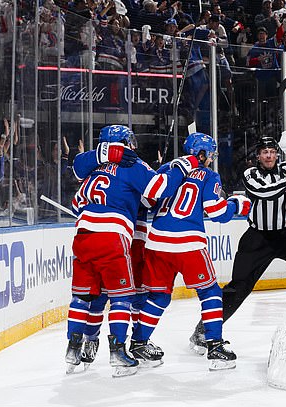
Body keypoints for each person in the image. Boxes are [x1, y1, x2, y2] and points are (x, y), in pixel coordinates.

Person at [65, 125, 198, 377]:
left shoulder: (93, 170)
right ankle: (118, 353)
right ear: (127, 142)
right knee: (122, 297)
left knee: (83, 297)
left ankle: (73, 347)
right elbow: (157, 191)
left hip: (83, 236)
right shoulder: (132, 164)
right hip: (114, 237)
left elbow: (75, 204)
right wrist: (180, 168)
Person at [139, 132, 251, 371]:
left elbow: (148, 201)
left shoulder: (170, 168)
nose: (211, 158)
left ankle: (139, 344)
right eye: (210, 153)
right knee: (210, 292)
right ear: (204, 153)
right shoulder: (209, 175)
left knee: (158, 296)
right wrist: (237, 204)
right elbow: (217, 211)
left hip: (157, 242)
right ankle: (215, 346)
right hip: (188, 243)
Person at [189, 137, 286, 352]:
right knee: (238, 288)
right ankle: (203, 331)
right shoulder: (250, 174)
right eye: (265, 152)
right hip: (257, 239)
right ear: (258, 156)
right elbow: (264, 193)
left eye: (272, 151)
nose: (269, 155)